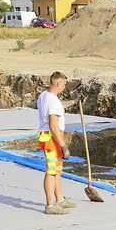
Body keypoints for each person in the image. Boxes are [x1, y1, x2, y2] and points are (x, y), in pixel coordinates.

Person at [37, 72, 76, 215]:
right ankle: (50, 205)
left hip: (48, 136)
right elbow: (53, 126)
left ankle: (60, 199)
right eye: (64, 84)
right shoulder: (53, 101)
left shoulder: (44, 95)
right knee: (52, 171)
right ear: (58, 84)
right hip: (51, 138)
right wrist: (63, 146)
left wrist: (74, 101)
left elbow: (60, 105)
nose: (65, 87)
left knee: (57, 170)